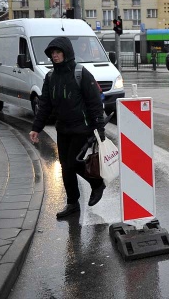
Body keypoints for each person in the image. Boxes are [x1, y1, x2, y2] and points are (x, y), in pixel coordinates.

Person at [28, 37, 107, 218]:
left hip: (82, 128)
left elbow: (94, 103)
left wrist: (99, 129)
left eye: (58, 52)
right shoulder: (50, 77)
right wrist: (36, 128)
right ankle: (72, 204)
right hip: (63, 128)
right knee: (65, 166)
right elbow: (45, 104)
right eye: (52, 54)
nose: (55, 56)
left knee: (74, 163)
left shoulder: (81, 74)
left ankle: (96, 184)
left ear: (66, 53)